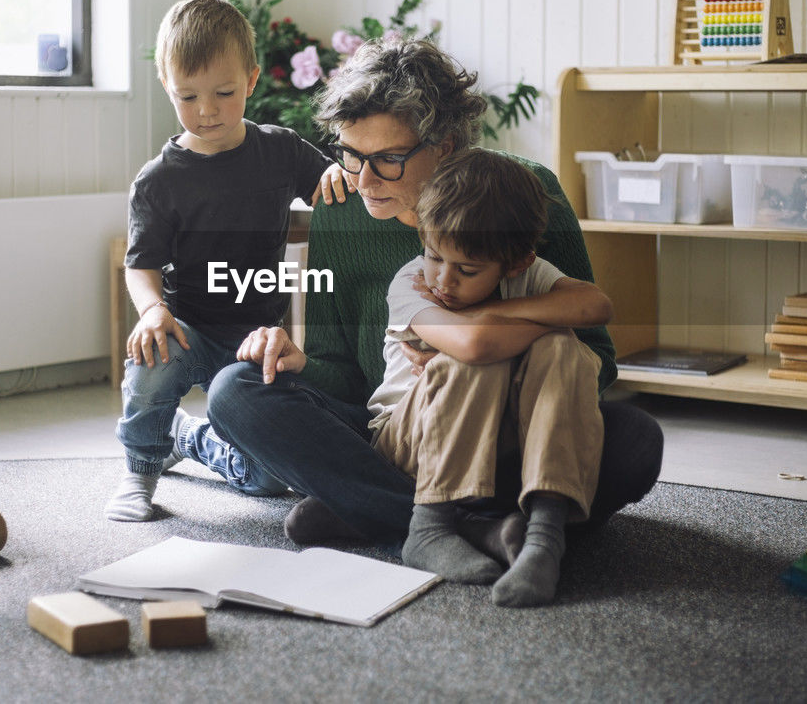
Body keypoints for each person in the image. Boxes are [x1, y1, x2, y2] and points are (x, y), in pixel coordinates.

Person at [210, 37, 663, 574]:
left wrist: (486, 356)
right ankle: (478, 525)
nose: (365, 180)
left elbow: (596, 357)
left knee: (636, 441)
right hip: (398, 429)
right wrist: (298, 362)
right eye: (351, 155)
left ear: (445, 146)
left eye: (389, 160)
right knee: (235, 392)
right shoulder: (340, 206)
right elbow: (349, 381)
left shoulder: (523, 192)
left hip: (514, 428)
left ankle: (370, 510)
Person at [105, 0, 331, 521]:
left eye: (224, 93)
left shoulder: (281, 151)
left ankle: (192, 439)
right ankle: (141, 467)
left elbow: (331, 189)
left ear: (252, 81)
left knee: (272, 480)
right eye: (188, 96)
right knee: (152, 358)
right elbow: (139, 266)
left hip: (256, 336)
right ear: (166, 86)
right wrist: (153, 311)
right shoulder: (158, 181)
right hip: (186, 327)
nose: (207, 111)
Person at [368, 148, 612, 605]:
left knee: (565, 350)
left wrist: (495, 312)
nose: (443, 280)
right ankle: (429, 526)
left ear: (516, 264)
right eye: (434, 255)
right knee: (478, 356)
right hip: (403, 445)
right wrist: (533, 321)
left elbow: (597, 306)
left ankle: (544, 536)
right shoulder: (411, 283)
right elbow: (476, 344)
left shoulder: (528, 275)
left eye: (467, 270)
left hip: (494, 442)